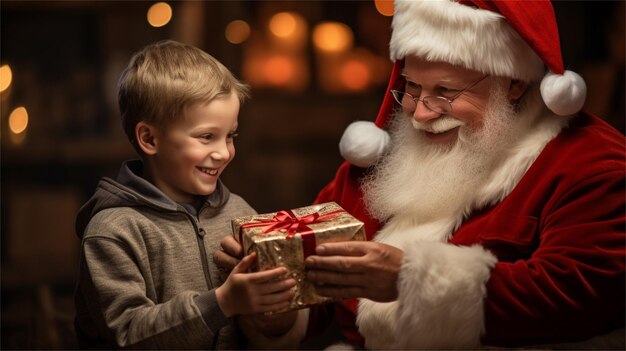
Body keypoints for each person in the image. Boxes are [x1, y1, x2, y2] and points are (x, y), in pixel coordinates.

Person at [215, 0, 625, 349]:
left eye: (445, 91)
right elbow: (319, 294)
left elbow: (583, 293)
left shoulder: (591, 163)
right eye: (410, 87)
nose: (420, 113)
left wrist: (412, 280)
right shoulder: (379, 160)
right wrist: (272, 301)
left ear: (514, 83)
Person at [73, 40, 298, 349]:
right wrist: (221, 303)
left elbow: (266, 328)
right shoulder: (112, 232)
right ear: (149, 139)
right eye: (207, 137)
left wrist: (276, 301)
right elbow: (128, 335)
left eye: (229, 136)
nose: (223, 153)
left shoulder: (240, 212)